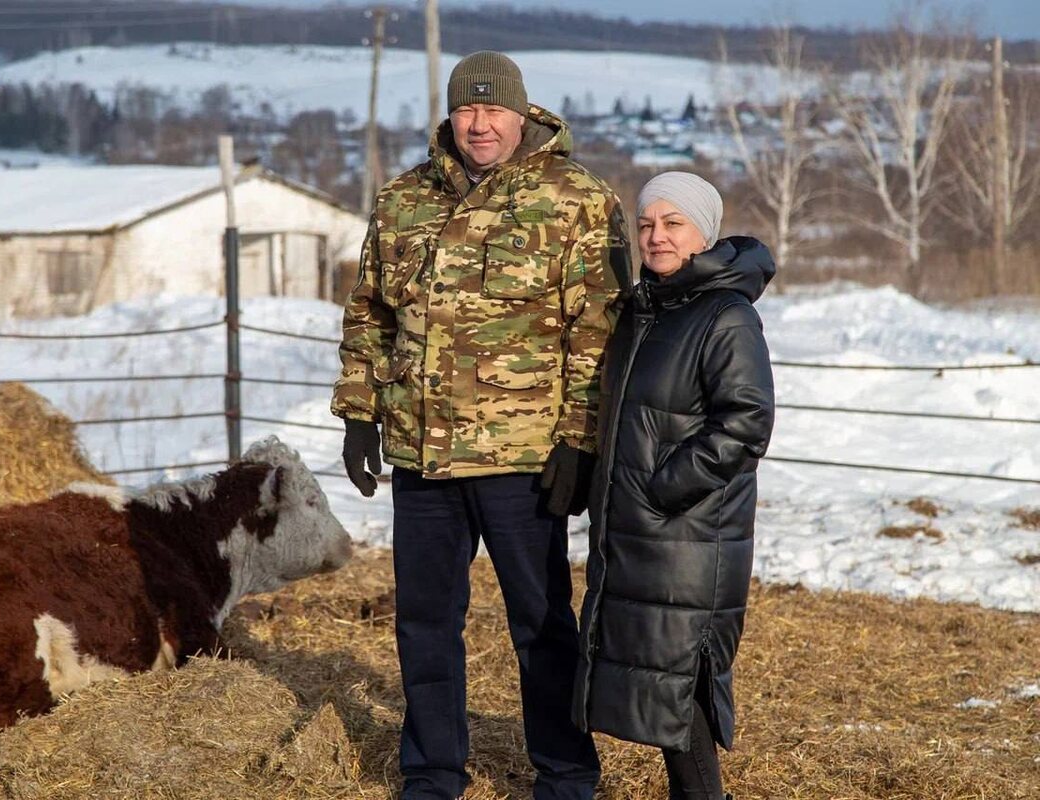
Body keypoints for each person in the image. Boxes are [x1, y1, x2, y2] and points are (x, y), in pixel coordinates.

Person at [331, 51, 631, 800]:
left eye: (494, 110)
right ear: (450, 115)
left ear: (523, 115)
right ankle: (432, 773)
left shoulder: (575, 201)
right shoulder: (403, 200)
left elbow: (599, 331)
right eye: (468, 109)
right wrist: (360, 415)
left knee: (541, 624)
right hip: (424, 458)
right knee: (425, 624)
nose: (480, 124)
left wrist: (580, 441)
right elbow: (369, 313)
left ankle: (565, 774)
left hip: (523, 459)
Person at [572, 171, 776, 800]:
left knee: (679, 693)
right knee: (661, 694)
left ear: (704, 232)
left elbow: (746, 422)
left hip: (687, 535)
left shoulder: (725, 314)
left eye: (673, 223)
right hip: (641, 533)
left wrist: (664, 488)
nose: (656, 237)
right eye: (646, 224)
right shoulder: (647, 308)